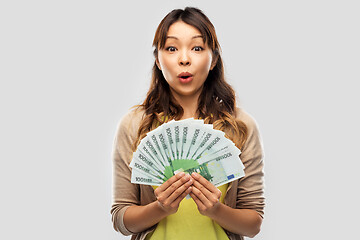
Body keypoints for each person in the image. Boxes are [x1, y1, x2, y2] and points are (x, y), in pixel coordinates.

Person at [111, 7, 265, 240]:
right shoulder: (134, 125)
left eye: (197, 48)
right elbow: (121, 219)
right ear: (158, 60)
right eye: (171, 48)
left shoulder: (241, 126)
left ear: (213, 59)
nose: (184, 59)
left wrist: (216, 210)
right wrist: (160, 208)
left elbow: (253, 224)